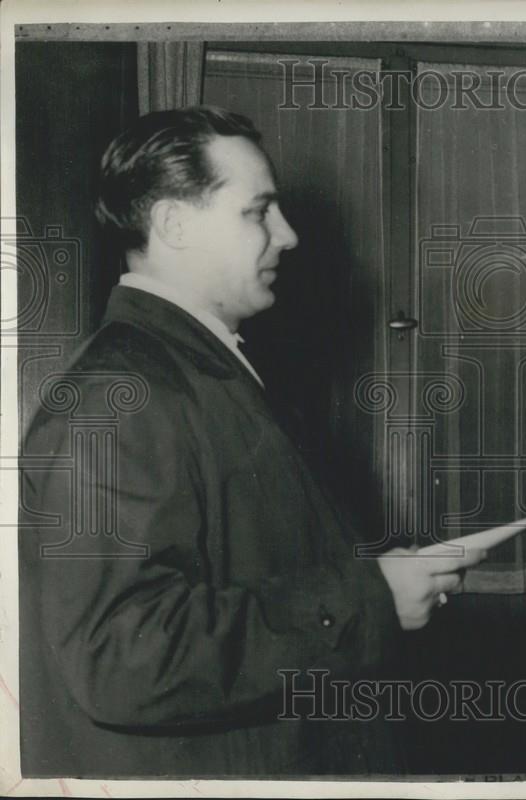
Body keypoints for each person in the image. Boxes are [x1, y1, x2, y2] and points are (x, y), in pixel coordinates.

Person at [19, 106, 482, 776]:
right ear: (174, 225)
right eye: (257, 211)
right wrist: (367, 601)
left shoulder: (192, 372)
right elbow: (121, 657)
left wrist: (380, 582)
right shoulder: (118, 396)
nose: (288, 236)